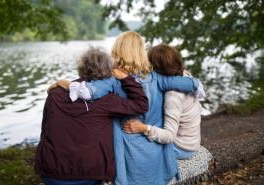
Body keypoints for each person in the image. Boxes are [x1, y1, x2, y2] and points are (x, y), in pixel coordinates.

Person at [52, 31, 201, 185]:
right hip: (156, 153)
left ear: (117, 51)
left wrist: (63, 83)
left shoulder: (112, 80)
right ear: (141, 52)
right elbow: (191, 84)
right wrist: (196, 84)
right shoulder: (157, 78)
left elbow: (88, 92)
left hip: (129, 156)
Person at [35, 47, 149, 185]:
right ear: (109, 71)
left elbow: (46, 128)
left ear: (81, 68)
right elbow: (141, 105)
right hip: (88, 174)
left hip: (51, 170)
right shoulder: (108, 100)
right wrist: (126, 78)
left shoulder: (55, 93)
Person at [123, 44, 202, 160]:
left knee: (132, 146)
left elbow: (169, 136)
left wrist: (142, 128)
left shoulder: (173, 96)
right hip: (191, 141)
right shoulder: (185, 76)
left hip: (181, 148)